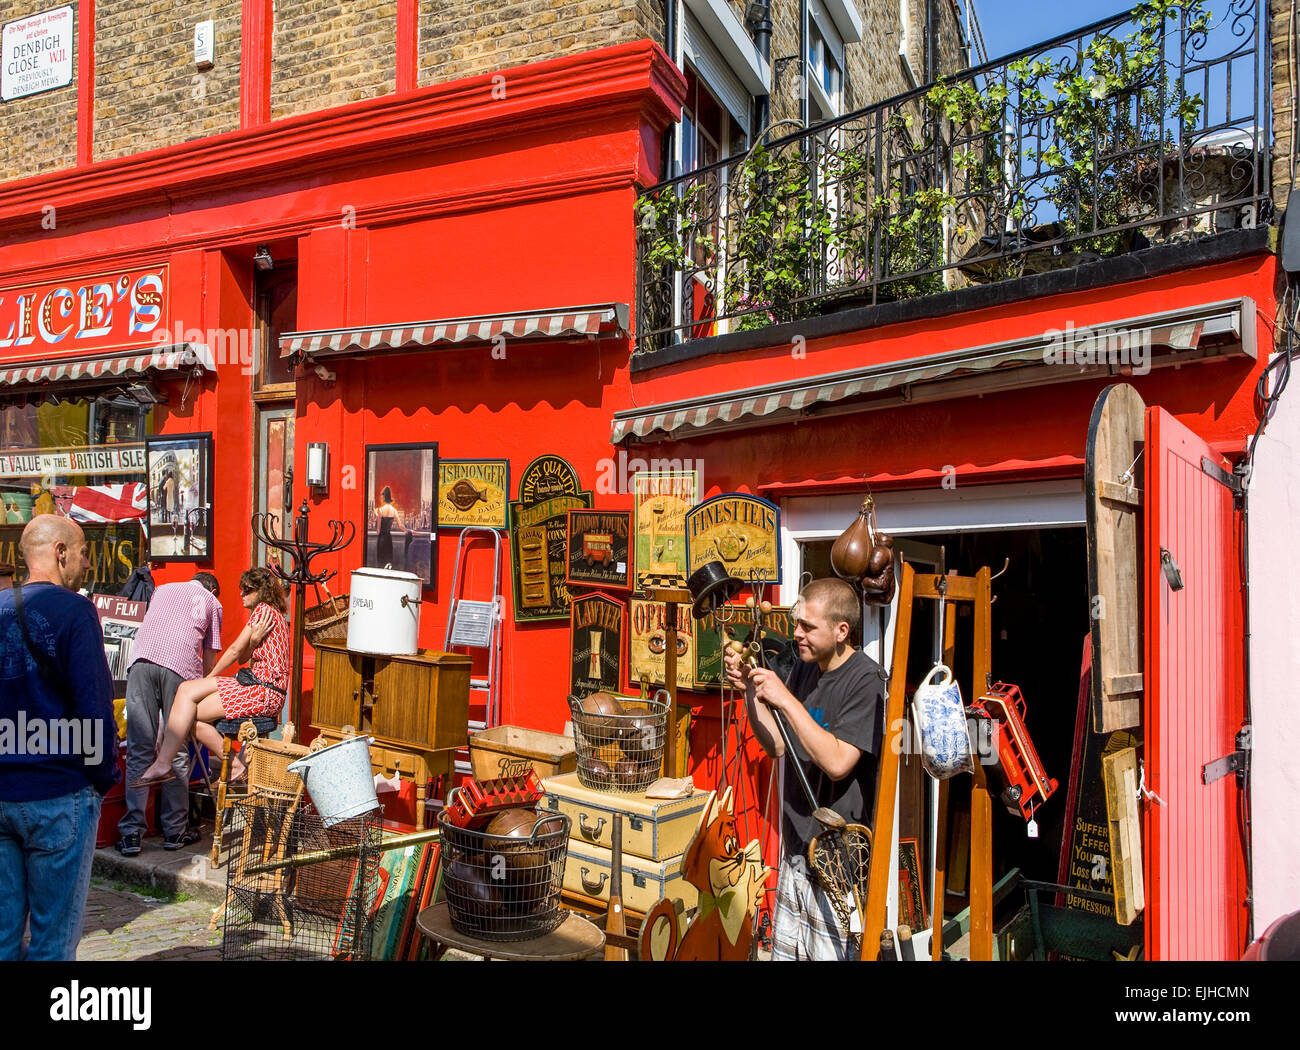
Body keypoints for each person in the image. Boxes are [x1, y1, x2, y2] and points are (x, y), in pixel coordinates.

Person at [724, 577, 886, 961]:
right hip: (797, 851)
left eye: (808, 627)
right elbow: (778, 745)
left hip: (837, 863)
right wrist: (751, 691)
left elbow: (837, 763)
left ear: (841, 630)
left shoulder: (867, 680)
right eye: (798, 624)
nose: (797, 634)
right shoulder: (805, 668)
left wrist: (784, 697)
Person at [0, 515, 119, 961]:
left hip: (5, 788)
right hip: (58, 790)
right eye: (84, 550)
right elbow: (95, 706)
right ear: (60, 551)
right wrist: (101, 778)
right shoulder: (75, 611)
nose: (87, 562)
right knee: (52, 942)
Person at [132, 568, 288, 788]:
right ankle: (165, 763)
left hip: (261, 689)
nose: (242, 594)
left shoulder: (263, 610)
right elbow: (244, 655)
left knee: (188, 704)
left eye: (247, 590)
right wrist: (253, 643)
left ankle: (227, 765)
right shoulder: (273, 614)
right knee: (187, 704)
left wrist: (210, 677)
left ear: (262, 592)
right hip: (261, 686)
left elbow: (234, 651)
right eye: (242, 589)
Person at [115, 571, 226, 856]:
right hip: (179, 667)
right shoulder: (212, 602)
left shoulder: (162, 588)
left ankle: (131, 834)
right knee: (175, 749)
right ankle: (174, 831)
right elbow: (211, 658)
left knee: (140, 748)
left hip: (140, 662)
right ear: (212, 589)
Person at [374, 485, 406, 567]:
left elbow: (378, 531)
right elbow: (400, 525)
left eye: (382, 495)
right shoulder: (394, 510)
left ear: (384, 496)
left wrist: (376, 515)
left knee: (381, 563)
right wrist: (407, 531)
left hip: (381, 539)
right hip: (388, 539)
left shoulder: (380, 510)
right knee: (388, 563)